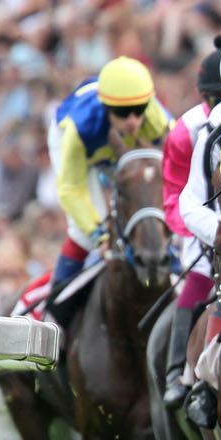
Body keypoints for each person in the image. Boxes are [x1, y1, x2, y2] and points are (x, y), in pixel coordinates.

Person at [46, 55, 174, 321]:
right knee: (82, 233)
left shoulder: (154, 116)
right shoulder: (79, 130)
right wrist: (99, 235)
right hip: (85, 156)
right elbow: (71, 189)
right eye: (122, 113)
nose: (132, 121)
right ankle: (55, 316)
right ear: (106, 108)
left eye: (139, 110)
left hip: (118, 153)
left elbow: (178, 162)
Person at [160, 35, 221, 408]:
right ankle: (177, 372)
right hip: (199, 222)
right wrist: (202, 229)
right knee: (199, 278)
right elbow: (174, 195)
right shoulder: (186, 131)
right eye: (216, 102)